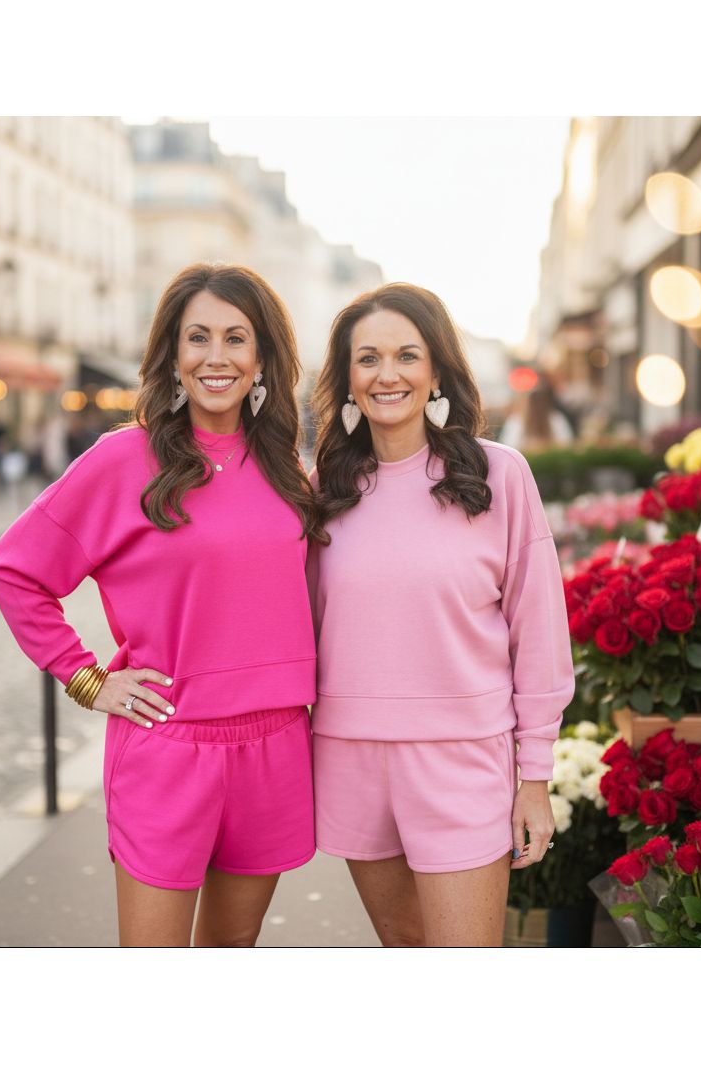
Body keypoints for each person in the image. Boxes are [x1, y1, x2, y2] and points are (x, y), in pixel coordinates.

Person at [0, 263, 324, 947]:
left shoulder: (290, 472)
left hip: (278, 748)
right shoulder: (123, 460)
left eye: (236, 338)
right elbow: (14, 571)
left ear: (262, 358)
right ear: (172, 355)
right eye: (198, 337)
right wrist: (87, 680)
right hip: (170, 749)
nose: (217, 356)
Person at [308, 283, 575, 947]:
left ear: (435, 371)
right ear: (347, 378)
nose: (387, 374)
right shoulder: (320, 493)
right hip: (349, 757)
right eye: (367, 358)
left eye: (406, 355)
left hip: (463, 759)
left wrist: (534, 777)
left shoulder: (498, 476)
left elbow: (539, 633)